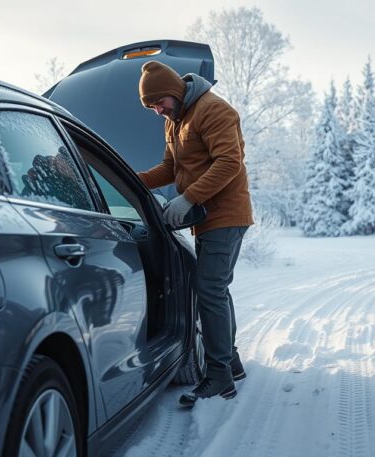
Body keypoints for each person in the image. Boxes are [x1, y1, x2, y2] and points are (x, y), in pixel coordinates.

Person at [136, 60, 253, 407]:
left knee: (209, 290)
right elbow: (170, 168)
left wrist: (188, 198)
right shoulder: (176, 121)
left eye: (159, 102)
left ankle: (220, 378)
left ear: (173, 91)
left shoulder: (214, 110)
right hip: (206, 217)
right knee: (216, 288)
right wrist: (128, 180)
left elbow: (229, 162)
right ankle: (230, 361)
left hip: (226, 214)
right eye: (152, 107)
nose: (158, 111)